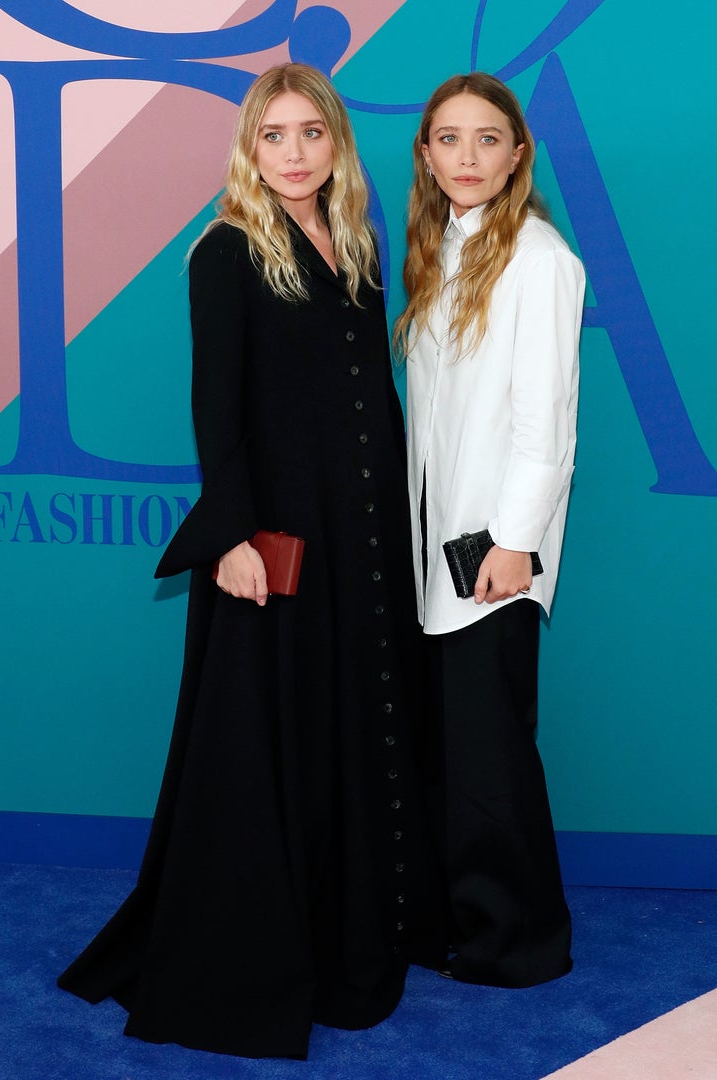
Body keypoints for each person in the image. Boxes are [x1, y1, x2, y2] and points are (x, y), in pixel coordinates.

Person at [58, 62, 443, 1060]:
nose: (294, 153)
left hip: (359, 538)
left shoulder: (353, 242)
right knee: (271, 737)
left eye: (310, 133)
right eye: (274, 136)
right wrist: (228, 538)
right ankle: (266, 949)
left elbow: (369, 400)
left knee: (351, 722)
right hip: (274, 541)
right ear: (249, 148)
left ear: (338, 142)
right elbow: (214, 406)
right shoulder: (225, 251)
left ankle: (353, 921)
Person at [395, 72, 585, 988]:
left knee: (491, 758)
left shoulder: (538, 257)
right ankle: (460, 920)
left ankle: (522, 941)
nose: (466, 158)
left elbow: (545, 423)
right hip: (438, 550)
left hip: (491, 560)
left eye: (486, 139)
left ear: (520, 154)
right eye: (447, 140)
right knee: (450, 749)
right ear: (426, 155)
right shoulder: (444, 250)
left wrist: (514, 543)